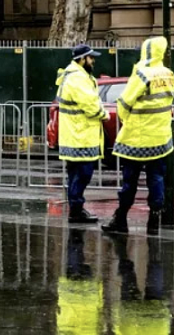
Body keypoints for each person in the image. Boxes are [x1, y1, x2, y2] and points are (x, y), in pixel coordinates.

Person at [102, 36, 174, 235]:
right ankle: (154, 220)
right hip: (160, 138)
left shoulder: (142, 74)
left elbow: (124, 103)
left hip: (137, 138)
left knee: (129, 182)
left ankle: (121, 219)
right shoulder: (169, 74)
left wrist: (127, 120)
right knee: (156, 179)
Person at [55, 44, 108, 224]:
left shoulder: (76, 75)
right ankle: (76, 209)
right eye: (91, 58)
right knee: (83, 173)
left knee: (76, 173)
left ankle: (76, 209)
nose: (93, 61)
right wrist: (104, 114)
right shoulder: (77, 78)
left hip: (76, 133)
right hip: (80, 134)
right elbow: (90, 104)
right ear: (82, 59)